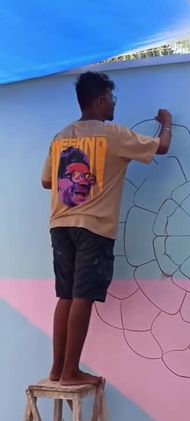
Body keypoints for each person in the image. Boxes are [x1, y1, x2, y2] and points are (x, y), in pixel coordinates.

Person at [41, 71, 173, 386]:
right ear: (100, 101)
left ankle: (57, 369)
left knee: (66, 295)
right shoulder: (113, 135)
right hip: (94, 226)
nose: (114, 104)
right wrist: (167, 122)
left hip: (61, 224)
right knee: (83, 296)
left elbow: (47, 181)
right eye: (112, 98)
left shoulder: (60, 137)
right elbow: (162, 147)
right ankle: (71, 371)